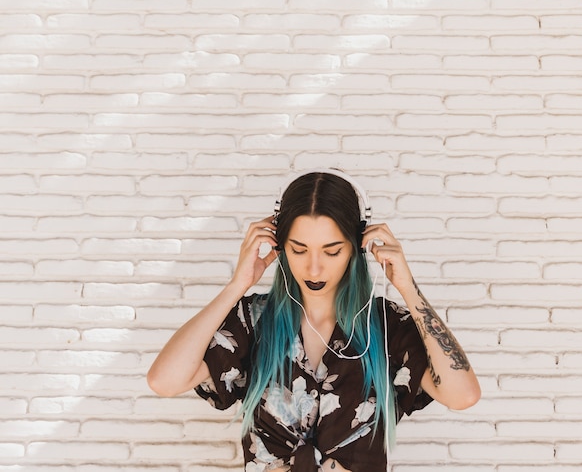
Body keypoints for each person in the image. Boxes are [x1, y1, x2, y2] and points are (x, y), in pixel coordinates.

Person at [147, 170, 481, 472]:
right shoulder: (253, 321)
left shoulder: (385, 324)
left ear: (356, 248)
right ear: (280, 246)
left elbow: (462, 395)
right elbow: (165, 381)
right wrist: (238, 285)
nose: (314, 268)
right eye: (299, 249)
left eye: (332, 251)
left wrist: (407, 287)